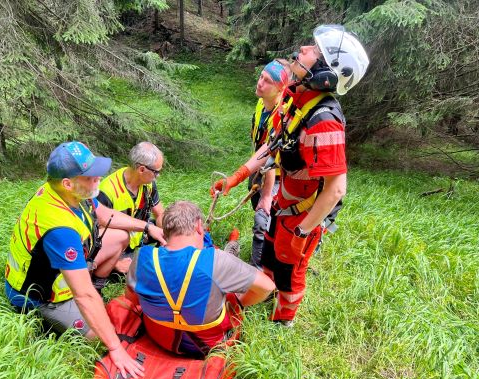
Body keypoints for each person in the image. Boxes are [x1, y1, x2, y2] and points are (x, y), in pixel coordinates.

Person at [211, 25, 369, 327]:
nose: (304, 49)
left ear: (325, 72)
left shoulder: (324, 123)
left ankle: (282, 322)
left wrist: (304, 230)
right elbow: (271, 148)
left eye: (314, 50)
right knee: (270, 255)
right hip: (285, 203)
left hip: (303, 214)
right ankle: (266, 293)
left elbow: (336, 189)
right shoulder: (294, 102)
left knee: (290, 268)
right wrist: (235, 177)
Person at [4, 141, 166, 378]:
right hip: (43, 294)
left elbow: (104, 214)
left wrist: (148, 227)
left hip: (65, 266)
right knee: (97, 336)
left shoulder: (71, 190)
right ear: (68, 183)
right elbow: (84, 294)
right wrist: (115, 348)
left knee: (120, 236)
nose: (99, 179)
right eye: (91, 176)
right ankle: (47, 322)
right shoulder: (60, 229)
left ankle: (96, 281)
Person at [126, 201, 275, 357]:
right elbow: (267, 286)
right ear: (198, 226)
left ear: (165, 230)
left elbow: (132, 298)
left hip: (160, 339)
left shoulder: (142, 256)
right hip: (204, 347)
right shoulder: (217, 260)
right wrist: (238, 303)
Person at [97, 142, 165, 274]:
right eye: (156, 172)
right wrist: (116, 263)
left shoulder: (148, 184)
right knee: (141, 271)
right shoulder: (107, 191)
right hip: (118, 243)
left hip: (140, 234)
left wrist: (166, 236)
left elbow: (160, 213)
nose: (158, 177)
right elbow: (96, 235)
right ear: (141, 169)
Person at [247, 59, 289, 269]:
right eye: (261, 77)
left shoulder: (282, 115)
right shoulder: (262, 102)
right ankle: (267, 254)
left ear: (281, 88)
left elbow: (273, 156)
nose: (260, 83)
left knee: (262, 219)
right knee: (259, 209)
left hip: (277, 175)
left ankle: (257, 270)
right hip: (260, 171)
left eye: (267, 81)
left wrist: (266, 194)